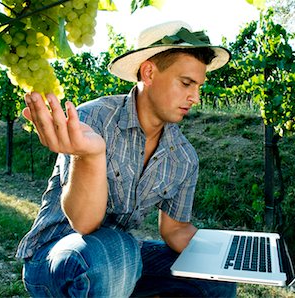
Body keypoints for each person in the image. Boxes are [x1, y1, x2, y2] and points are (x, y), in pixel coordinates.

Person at [17, 21, 236, 297]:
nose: (195, 97)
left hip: (122, 263)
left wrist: (229, 252)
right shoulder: (92, 120)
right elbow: (84, 224)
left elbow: (176, 230)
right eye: (186, 83)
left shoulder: (183, 157)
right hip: (56, 258)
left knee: (216, 278)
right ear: (149, 72)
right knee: (120, 249)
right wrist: (92, 155)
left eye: (199, 86)